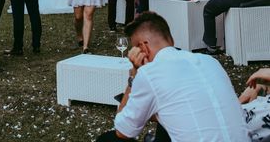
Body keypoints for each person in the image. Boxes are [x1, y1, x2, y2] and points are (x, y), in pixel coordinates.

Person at [96, 12, 249, 142]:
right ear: (170, 40)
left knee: (108, 139)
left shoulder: (149, 73)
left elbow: (123, 131)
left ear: (143, 47)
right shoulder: (211, 62)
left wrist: (133, 77)